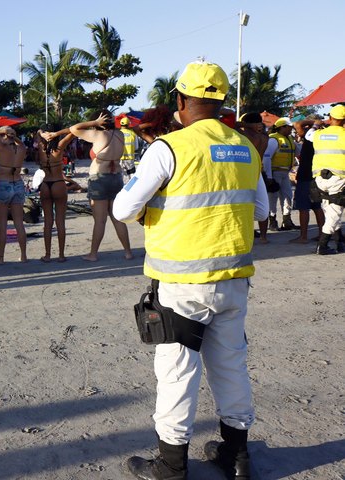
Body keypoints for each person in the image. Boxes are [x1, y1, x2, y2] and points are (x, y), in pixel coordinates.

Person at [113, 61, 267, 479]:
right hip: (234, 280)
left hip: (183, 285)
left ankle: (171, 465)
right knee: (231, 365)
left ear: (180, 100)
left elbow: (123, 208)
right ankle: (236, 457)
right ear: (219, 102)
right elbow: (262, 210)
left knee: (178, 372)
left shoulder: (170, 148)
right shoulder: (245, 147)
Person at [69, 110, 134, 262]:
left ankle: (93, 254)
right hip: (116, 177)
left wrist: (94, 123)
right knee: (117, 218)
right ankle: (128, 252)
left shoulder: (98, 135)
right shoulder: (120, 135)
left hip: (99, 178)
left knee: (100, 220)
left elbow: (74, 129)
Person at [0, 126, 27, 264]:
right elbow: (20, 143)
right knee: (19, 223)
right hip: (18, 183)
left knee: (2, 223)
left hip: (4, 183)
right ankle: (23, 255)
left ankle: (1, 257)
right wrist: (12, 135)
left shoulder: (1, 148)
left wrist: (2, 132)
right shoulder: (21, 148)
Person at [38, 126, 76, 262]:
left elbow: (37, 132)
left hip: (45, 184)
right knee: (60, 221)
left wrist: (43, 134)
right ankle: (61, 255)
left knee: (48, 222)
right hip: (58, 183)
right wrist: (57, 133)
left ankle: (47, 255)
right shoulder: (59, 146)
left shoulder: (41, 147)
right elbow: (73, 131)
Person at [311, 104, 345, 255]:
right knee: (335, 211)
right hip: (338, 177)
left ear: (330, 118)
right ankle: (322, 245)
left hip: (320, 177)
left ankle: (340, 242)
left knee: (330, 209)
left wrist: (321, 123)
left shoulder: (318, 134)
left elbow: (308, 133)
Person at [236, 112, 271, 244]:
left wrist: (247, 125)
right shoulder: (264, 136)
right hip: (259, 172)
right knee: (263, 208)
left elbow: (231, 124)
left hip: (246, 173)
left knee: (243, 204)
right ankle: (263, 236)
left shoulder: (245, 135)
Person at [290, 117, 326, 244]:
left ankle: (303, 236)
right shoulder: (323, 137)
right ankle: (322, 234)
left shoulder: (310, 137)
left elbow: (297, 124)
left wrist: (313, 122)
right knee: (317, 206)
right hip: (317, 175)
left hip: (305, 175)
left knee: (303, 207)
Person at [264, 117, 300, 231]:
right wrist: (269, 176)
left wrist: (296, 140)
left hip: (286, 172)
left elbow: (298, 152)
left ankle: (287, 221)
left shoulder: (290, 139)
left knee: (287, 196)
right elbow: (266, 158)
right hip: (275, 172)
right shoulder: (274, 139)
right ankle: (272, 220)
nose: (291, 129)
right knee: (273, 197)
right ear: (282, 127)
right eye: (289, 127)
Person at [119, 116, 139, 181]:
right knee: (132, 175)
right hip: (130, 159)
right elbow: (136, 147)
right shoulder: (132, 134)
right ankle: (132, 189)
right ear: (128, 124)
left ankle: (120, 189)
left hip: (119, 159)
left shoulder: (117, 133)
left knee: (120, 175)